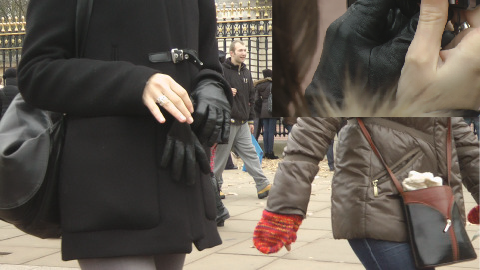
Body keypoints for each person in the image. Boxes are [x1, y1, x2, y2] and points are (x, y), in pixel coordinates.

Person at [18, 0, 232, 269]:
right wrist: (137, 83)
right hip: (109, 184)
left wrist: (212, 86)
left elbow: (207, 62)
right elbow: (37, 72)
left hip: (176, 173)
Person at [253, 117, 480, 270]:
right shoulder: (356, 59)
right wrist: (284, 209)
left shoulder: (439, 69)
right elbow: (310, 132)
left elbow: (467, 148)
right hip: (375, 201)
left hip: (430, 206)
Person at [213, 40, 271, 199]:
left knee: (251, 154)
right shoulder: (222, 71)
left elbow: (251, 97)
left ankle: (262, 185)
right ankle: (214, 187)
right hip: (227, 122)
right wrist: (225, 91)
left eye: (245, 50)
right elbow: (213, 92)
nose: (244, 53)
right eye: (240, 50)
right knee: (221, 158)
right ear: (231, 53)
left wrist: (251, 120)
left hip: (243, 122)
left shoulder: (246, 72)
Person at [254, 68, 278, 159]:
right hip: (272, 110)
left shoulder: (259, 85)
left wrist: (262, 105)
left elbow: (256, 100)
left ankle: (265, 151)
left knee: (266, 131)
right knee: (271, 132)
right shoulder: (273, 84)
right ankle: (270, 152)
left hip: (263, 110)